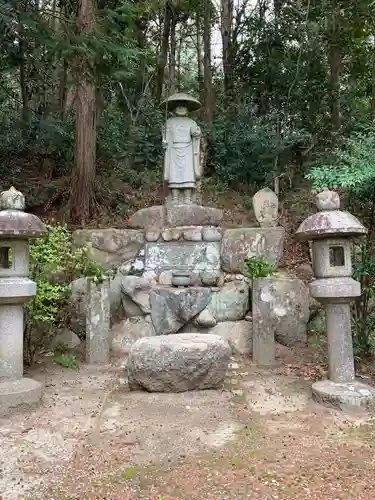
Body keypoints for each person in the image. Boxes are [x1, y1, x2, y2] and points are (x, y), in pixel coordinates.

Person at [162, 93, 202, 205]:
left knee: (187, 174)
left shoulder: (191, 122)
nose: (181, 108)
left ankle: (187, 198)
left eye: (183, 105)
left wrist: (197, 134)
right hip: (174, 149)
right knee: (174, 175)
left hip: (188, 149)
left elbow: (196, 134)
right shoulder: (169, 121)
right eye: (178, 105)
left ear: (187, 108)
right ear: (174, 108)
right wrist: (164, 142)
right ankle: (174, 198)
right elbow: (166, 137)